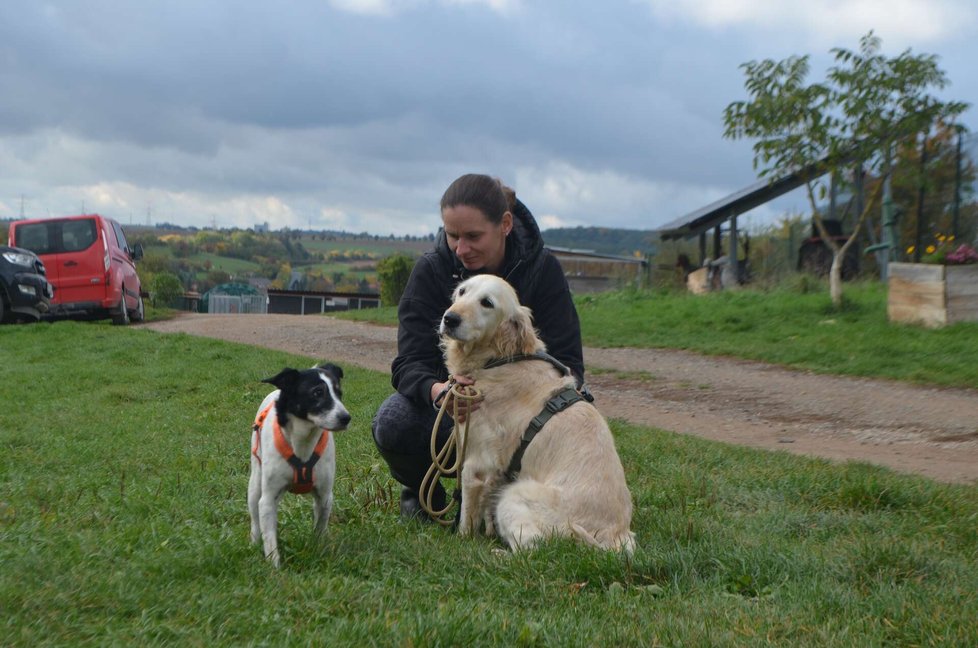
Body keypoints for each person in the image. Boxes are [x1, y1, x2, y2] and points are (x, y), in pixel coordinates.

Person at [371, 173, 587, 521]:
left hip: (521, 418)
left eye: (473, 236)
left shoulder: (542, 269)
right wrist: (440, 391)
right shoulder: (431, 270)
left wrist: (515, 404)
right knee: (394, 421)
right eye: (452, 235)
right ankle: (421, 494)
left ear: (504, 224)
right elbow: (409, 363)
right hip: (453, 411)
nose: (461, 248)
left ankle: (513, 500)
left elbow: (568, 363)